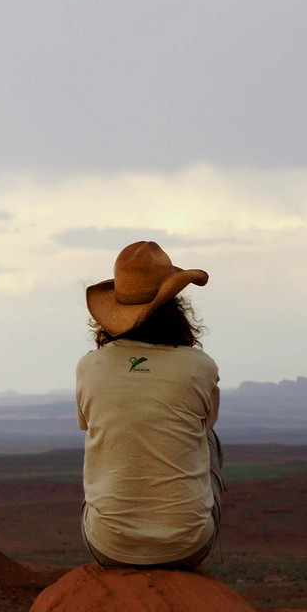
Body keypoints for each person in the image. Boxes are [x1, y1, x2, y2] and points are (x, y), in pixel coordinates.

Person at [77, 241, 223, 570]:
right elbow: (206, 425)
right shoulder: (200, 366)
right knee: (207, 438)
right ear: (175, 306)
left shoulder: (89, 367)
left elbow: (87, 426)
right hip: (188, 546)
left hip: (109, 548)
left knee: (104, 435)